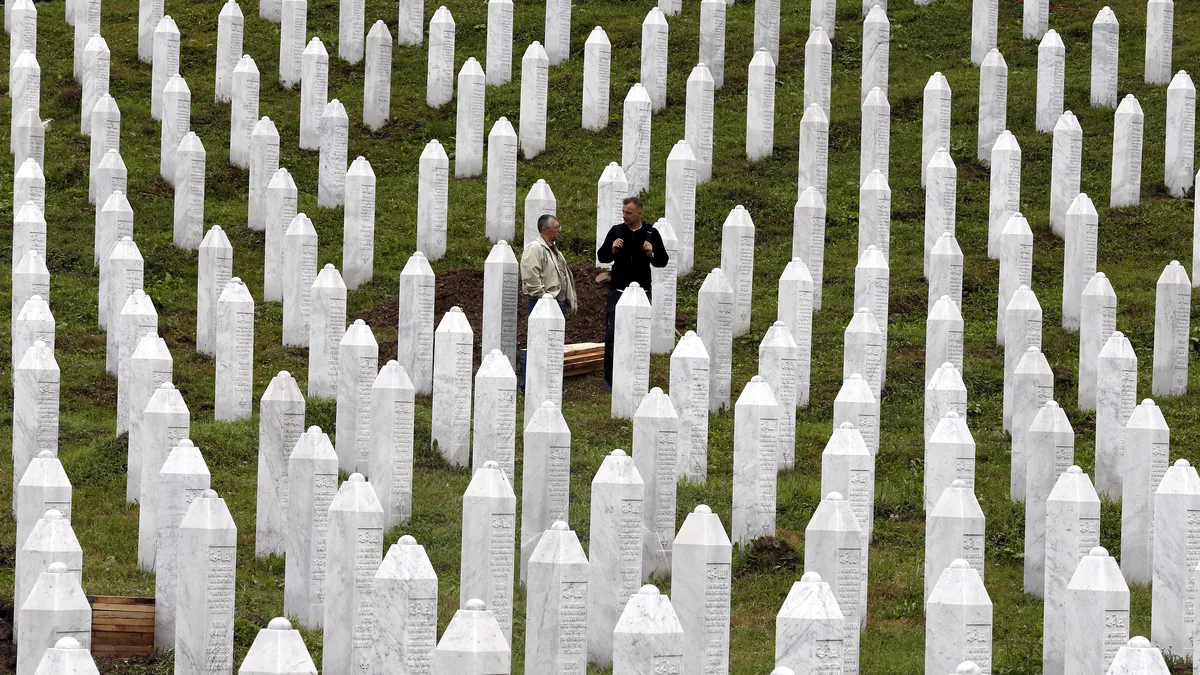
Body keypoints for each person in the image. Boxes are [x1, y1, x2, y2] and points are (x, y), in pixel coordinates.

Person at [596, 197, 669, 390]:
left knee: (639, 335)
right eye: (623, 212)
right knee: (612, 335)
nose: (624, 215)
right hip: (618, 290)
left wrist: (651, 253)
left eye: (628, 212)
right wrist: (612, 250)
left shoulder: (651, 233)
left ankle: (637, 377)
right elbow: (602, 256)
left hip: (642, 292)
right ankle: (610, 381)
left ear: (639, 213)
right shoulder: (616, 231)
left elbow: (662, 261)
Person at [519, 214, 577, 316]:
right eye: (556, 227)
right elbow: (531, 277)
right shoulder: (535, 248)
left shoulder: (554, 250)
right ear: (545, 230)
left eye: (559, 227)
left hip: (557, 304)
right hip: (542, 305)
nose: (559, 230)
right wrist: (544, 298)